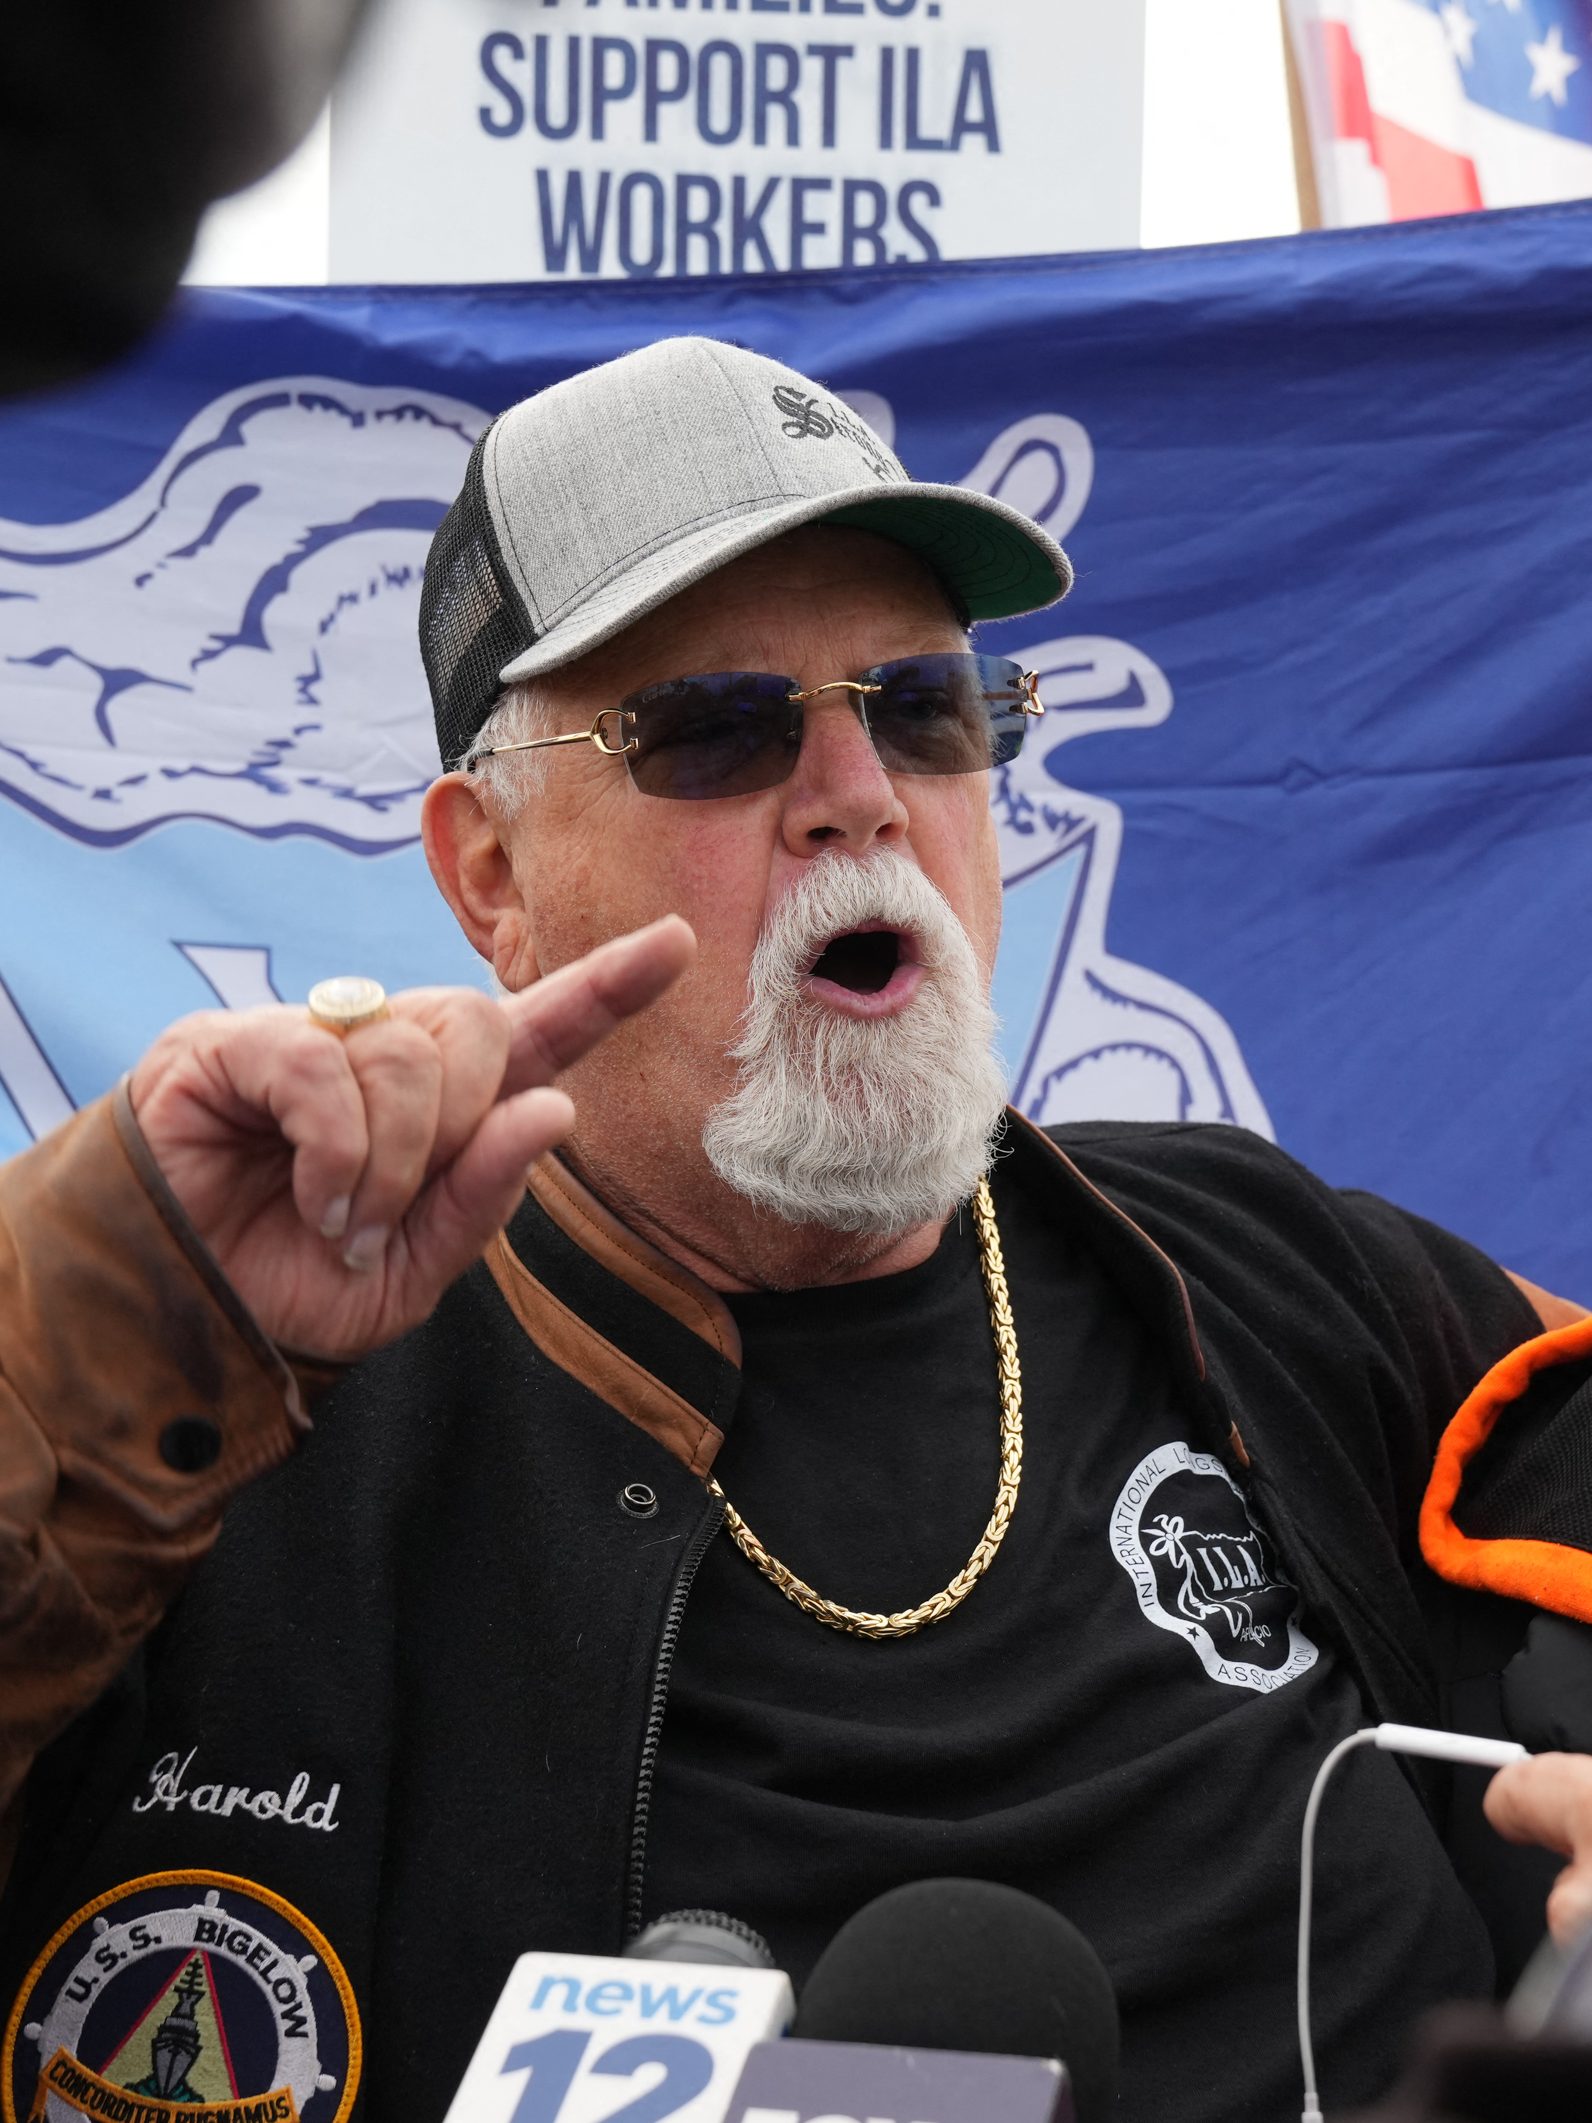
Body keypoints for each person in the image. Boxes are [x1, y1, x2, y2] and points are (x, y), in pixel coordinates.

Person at [2, 336, 1591, 2123]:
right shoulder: (227, 1409)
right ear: (491, 879)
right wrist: (107, 1303)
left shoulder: (1267, 1270)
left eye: (924, 707)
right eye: (722, 730)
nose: (863, 794)